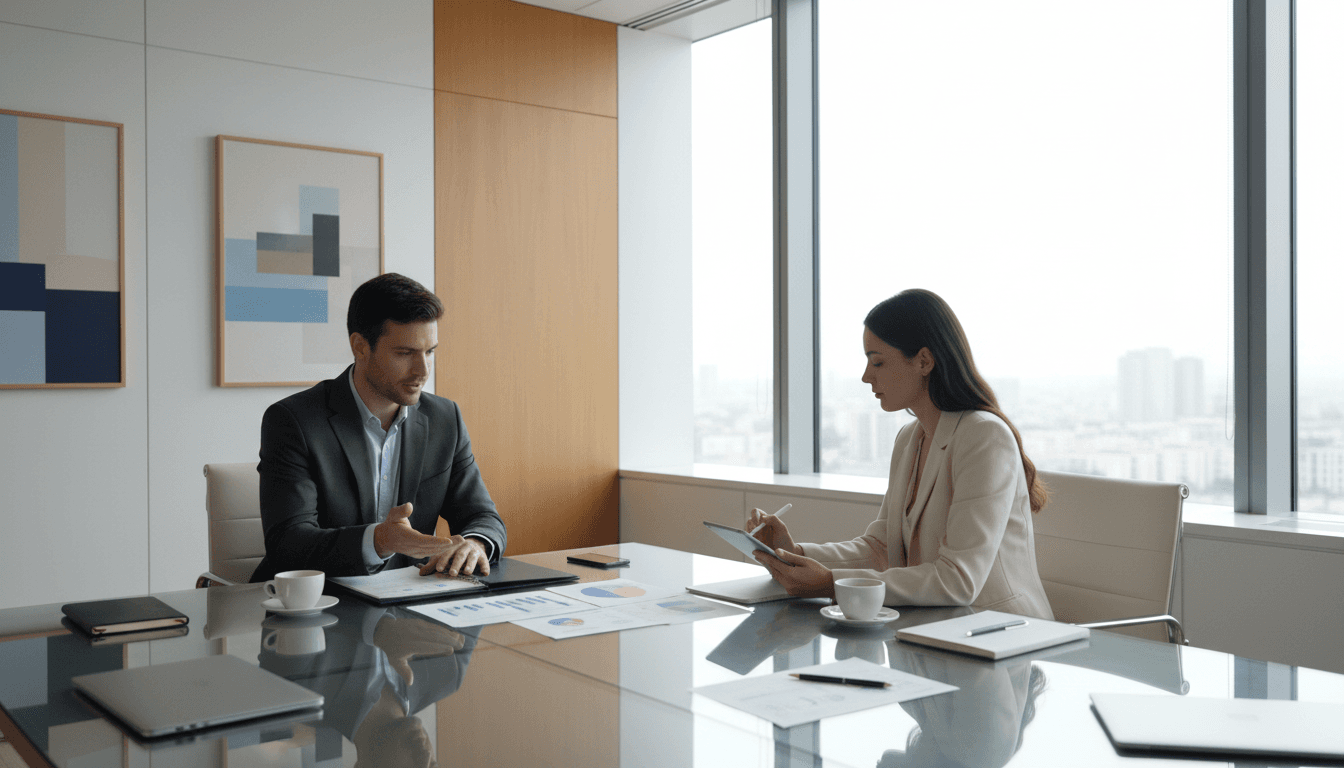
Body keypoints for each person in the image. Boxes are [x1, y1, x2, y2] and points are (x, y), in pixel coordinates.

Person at [748, 288, 1053, 619]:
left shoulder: (984, 437)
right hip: (937, 629)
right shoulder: (910, 439)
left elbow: (959, 580)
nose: (866, 376)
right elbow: (881, 549)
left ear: (924, 361)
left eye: (877, 361)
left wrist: (830, 584)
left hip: (1006, 634)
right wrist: (794, 554)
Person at [250, 273, 507, 583]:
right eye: (405, 353)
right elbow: (288, 544)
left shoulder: (444, 418)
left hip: (407, 606)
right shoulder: (294, 421)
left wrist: (476, 544)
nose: (422, 371)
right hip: (317, 605)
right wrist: (379, 541)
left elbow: (482, 516)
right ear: (360, 346)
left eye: (429, 352)